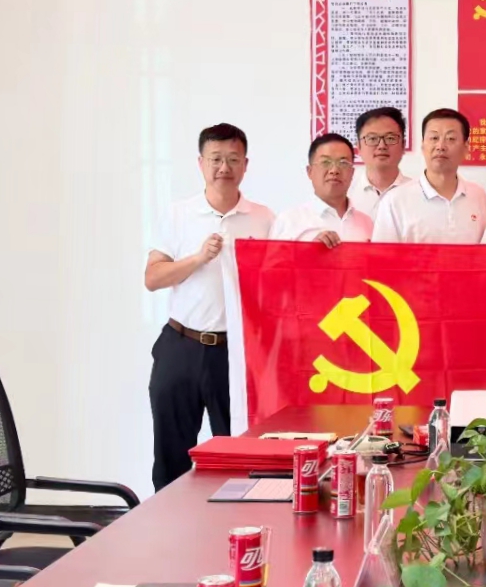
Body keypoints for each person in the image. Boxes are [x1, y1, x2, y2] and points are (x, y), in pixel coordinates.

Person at [144, 123, 274, 491]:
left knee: (240, 455)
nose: (224, 168)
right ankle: (170, 523)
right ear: (201, 163)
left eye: (233, 159)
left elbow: (278, 282)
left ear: (245, 164)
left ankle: (234, 522)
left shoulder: (264, 218)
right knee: (171, 455)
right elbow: (152, 278)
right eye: (215, 159)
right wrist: (198, 258)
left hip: (236, 353)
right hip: (181, 346)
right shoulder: (178, 214)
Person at [372, 108, 486, 243]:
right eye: (434, 138)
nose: (440, 146)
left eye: (451, 139)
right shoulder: (395, 201)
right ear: (423, 146)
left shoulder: (478, 196)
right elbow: (382, 254)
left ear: (466, 148)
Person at [270, 133, 373, 245]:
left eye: (343, 163)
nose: (334, 170)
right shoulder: (288, 221)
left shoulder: (367, 223)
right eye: (325, 162)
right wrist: (309, 250)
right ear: (310, 172)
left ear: (352, 173)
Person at [350, 107, 411, 219]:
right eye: (372, 139)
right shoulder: (345, 195)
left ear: (403, 145)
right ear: (358, 147)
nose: (382, 146)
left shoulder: (419, 194)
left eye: (390, 138)